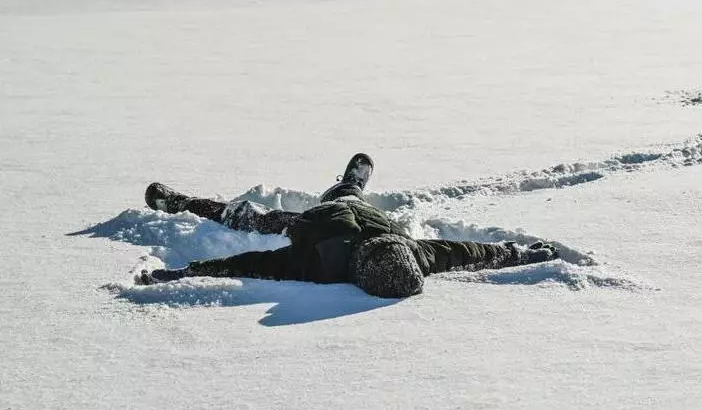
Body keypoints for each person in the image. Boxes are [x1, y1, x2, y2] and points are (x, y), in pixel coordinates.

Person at [139, 153, 558, 298]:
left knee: (253, 218)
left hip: (309, 223)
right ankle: (349, 185)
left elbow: (251, 263)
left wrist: (186, 273)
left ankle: (177, 201)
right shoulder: (411, 254)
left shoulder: (330, 264)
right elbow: (470, 253)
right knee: (344, 197)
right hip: (339, 211)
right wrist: (519, 254)